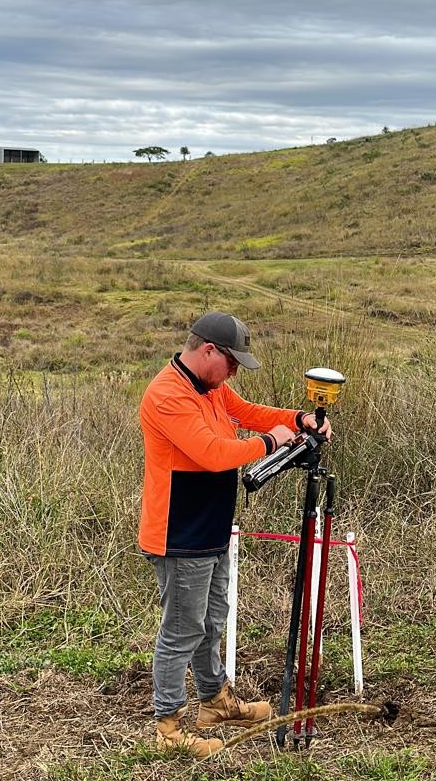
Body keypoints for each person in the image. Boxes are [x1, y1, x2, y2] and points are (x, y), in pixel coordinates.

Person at [138, 311, 330, 758]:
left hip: (209, 527)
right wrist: (271, 443)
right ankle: (167, 728)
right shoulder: (169, 395)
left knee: (211, 620)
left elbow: (248, 413)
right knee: (182, 630)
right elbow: (212, 454)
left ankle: (215, 702)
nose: (235, 372)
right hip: (178, 533)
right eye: (232, 362)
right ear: (209, 351)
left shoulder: (210, 388)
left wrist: (297, 419)